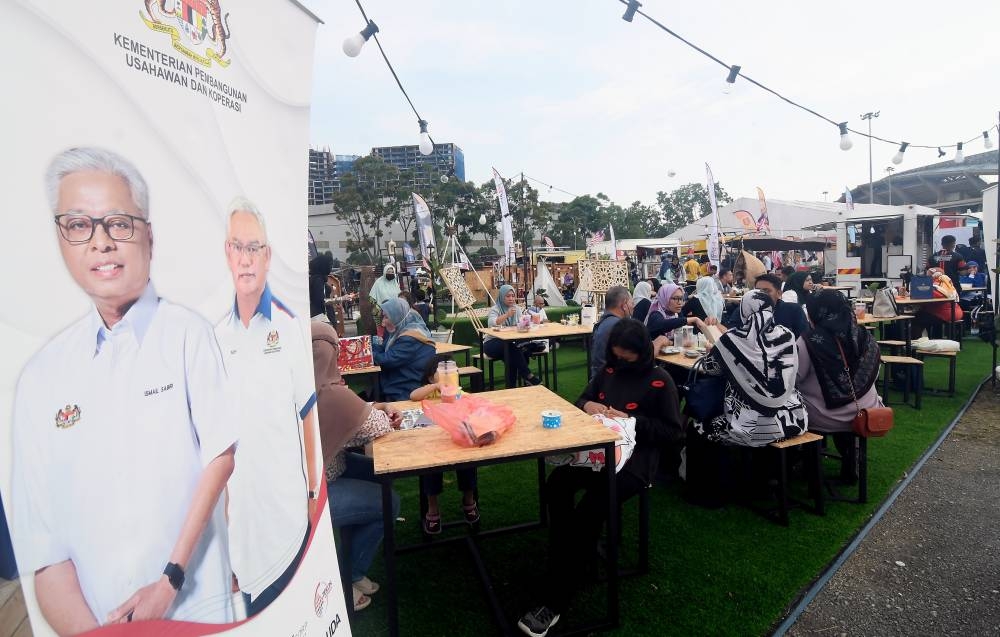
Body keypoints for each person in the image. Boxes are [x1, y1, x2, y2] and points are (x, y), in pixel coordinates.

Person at [11, 147, 236, 631]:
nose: (101, 243)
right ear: (60, 238)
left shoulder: (187, 335)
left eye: (118, 223)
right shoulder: (40, 378)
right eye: (79, 225)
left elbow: (221, 456)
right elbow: (45, 554)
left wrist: (169, 580)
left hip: (197, 610)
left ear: (148, 238)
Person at [516, 319, 683, 637]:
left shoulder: (660, 380)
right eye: (616, 355)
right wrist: (588, 405)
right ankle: (571, 553)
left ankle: (555, 600)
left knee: (591, 510)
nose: (620, 361)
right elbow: (581, 401)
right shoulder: (608, 371)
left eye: (627, 357)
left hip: (634, 462)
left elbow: (673, 433)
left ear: (641, 352)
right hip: (593, 455)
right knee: (556, 486)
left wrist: (632, 421)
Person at [215, 199, 322, 616]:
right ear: (228, 254)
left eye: (254, 248)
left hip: (286, 520)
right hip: (242, 533)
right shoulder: (215, 337)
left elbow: (307, 412)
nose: (246, 259)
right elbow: (218, 441)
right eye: (238, 248)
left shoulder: (289, 326)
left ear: (268, 256)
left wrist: (313, 492)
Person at [312, 322, 401, 611]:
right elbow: (374, 427)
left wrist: (376, 407)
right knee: (390, 502)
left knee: (382, 476)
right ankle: (345, 576)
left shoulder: (306, 385)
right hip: (315, 493)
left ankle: (350, 563)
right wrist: (385, 412)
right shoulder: (327, 392)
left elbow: (357, 410)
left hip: (326, 469)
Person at [689, 291, 808, 447]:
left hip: (749, 427)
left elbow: (711, 369)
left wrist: (712, 352)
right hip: (794, 419)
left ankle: (728, 470)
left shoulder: (732, 339)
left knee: (700, 426)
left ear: (744, 311)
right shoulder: (787, 335)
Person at [797, 290, 883, 483]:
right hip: (866, 412)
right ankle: (851, 463)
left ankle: (807, 468)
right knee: (847, 412)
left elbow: (795, 378)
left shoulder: (808, 341)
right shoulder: (866, 337)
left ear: (814, 313)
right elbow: (874, 374)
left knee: (794, 403)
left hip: (825, 416)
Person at [410, 355, 480, 535]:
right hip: (432, 439)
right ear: (430, 377)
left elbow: (470, 403)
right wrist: (435, 387)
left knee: (467, 462)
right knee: (431, 467)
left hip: (453, 435)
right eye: (442, 373)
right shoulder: (430, 391)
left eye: (452, 372)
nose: (448, 376)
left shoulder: (457, 391)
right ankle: (432, 508)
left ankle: (469, 499)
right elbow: (413, 396)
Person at [373, 297, 436, 401]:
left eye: (385, 317)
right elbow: (383, 349)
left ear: (396, 316)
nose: (383, 323)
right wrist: (367, 346)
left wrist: (367, 353)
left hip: (406, 391)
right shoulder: (401, 329)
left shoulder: (410, 337)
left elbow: (386, 360)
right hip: (402, 384)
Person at [484, 285, 544, 386]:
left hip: (509, 344)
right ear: (502, 297)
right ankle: (528, 376)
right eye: (508, 296)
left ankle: (511, 387)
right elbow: (491, 323)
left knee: (511, 354)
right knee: (513, 348)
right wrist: (507, 315)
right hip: (492, 344)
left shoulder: (516, 309)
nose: (511, 298)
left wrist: (527, 324)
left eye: (512, 296)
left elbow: (521, 323)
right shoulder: (496, 309)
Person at [725, 273, 809, 338]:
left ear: (779, 293)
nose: (761, 294)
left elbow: (802, 339)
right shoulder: (745, 310)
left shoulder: (793, 310)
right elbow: (732, 333)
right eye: (758, 290)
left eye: (767, 291)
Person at [590, 285, 631, 378]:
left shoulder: (604, 322)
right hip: (611, 383)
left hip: (599, 379)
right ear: (624, 305)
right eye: (632, 302)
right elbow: (640, 355)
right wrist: (660, 342)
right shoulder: (618, 326)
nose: (634, 306)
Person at [912, 268, 964, 338]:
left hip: (945, 314)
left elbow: (927, 296)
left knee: (916, 318)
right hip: (955, 312)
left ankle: (915, 343)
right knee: (924, 315)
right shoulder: (946, 283)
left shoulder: (937, 285)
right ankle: (934, 338)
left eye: (928, 275)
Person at [368, 263, 402, 328]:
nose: (390, 273)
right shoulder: (378, 282)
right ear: (384, 272)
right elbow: (371, 297)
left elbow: (399, 297)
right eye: (388, 272)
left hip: (394, 311)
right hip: (381, 312)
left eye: (392, 272)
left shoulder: (395, 283)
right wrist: (377, 307)